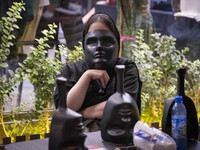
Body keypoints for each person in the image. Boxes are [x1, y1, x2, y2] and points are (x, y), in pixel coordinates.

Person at [54, 13, 141, 131]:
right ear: (84, 45)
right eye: (92, 41)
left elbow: (123, 107)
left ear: (117, 44)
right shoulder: (71, 70)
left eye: (107, 41)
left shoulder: (125, 67)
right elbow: (64, 110)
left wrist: (83, 112)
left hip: (118, 137)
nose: (99, 46)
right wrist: (87, 76)